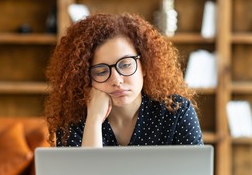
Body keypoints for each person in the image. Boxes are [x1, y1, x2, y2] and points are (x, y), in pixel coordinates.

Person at [44, 12, 203, 148]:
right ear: (85, 78)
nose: (116, 80)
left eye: (126, 65)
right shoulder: (74, 119)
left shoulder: (176, 112)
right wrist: (94, 120)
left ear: (145, 66)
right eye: (101, 71)